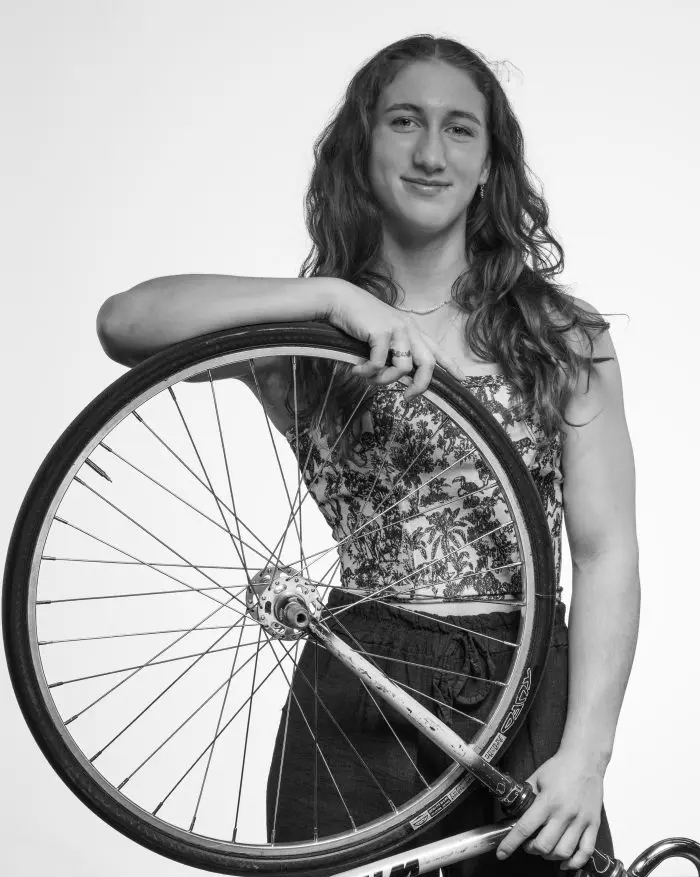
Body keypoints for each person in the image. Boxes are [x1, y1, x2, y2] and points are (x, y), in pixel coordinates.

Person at [96, 34, 640, 876]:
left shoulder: (561, 336)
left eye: (460, 129)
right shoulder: (311, 337)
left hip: (531, 678)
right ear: (365, 144)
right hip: (357, 681)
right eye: (404, 121)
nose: (431, 151)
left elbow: (606, 554)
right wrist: (328, 295)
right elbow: (125, 323)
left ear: (491, 164)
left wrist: (588, 758)